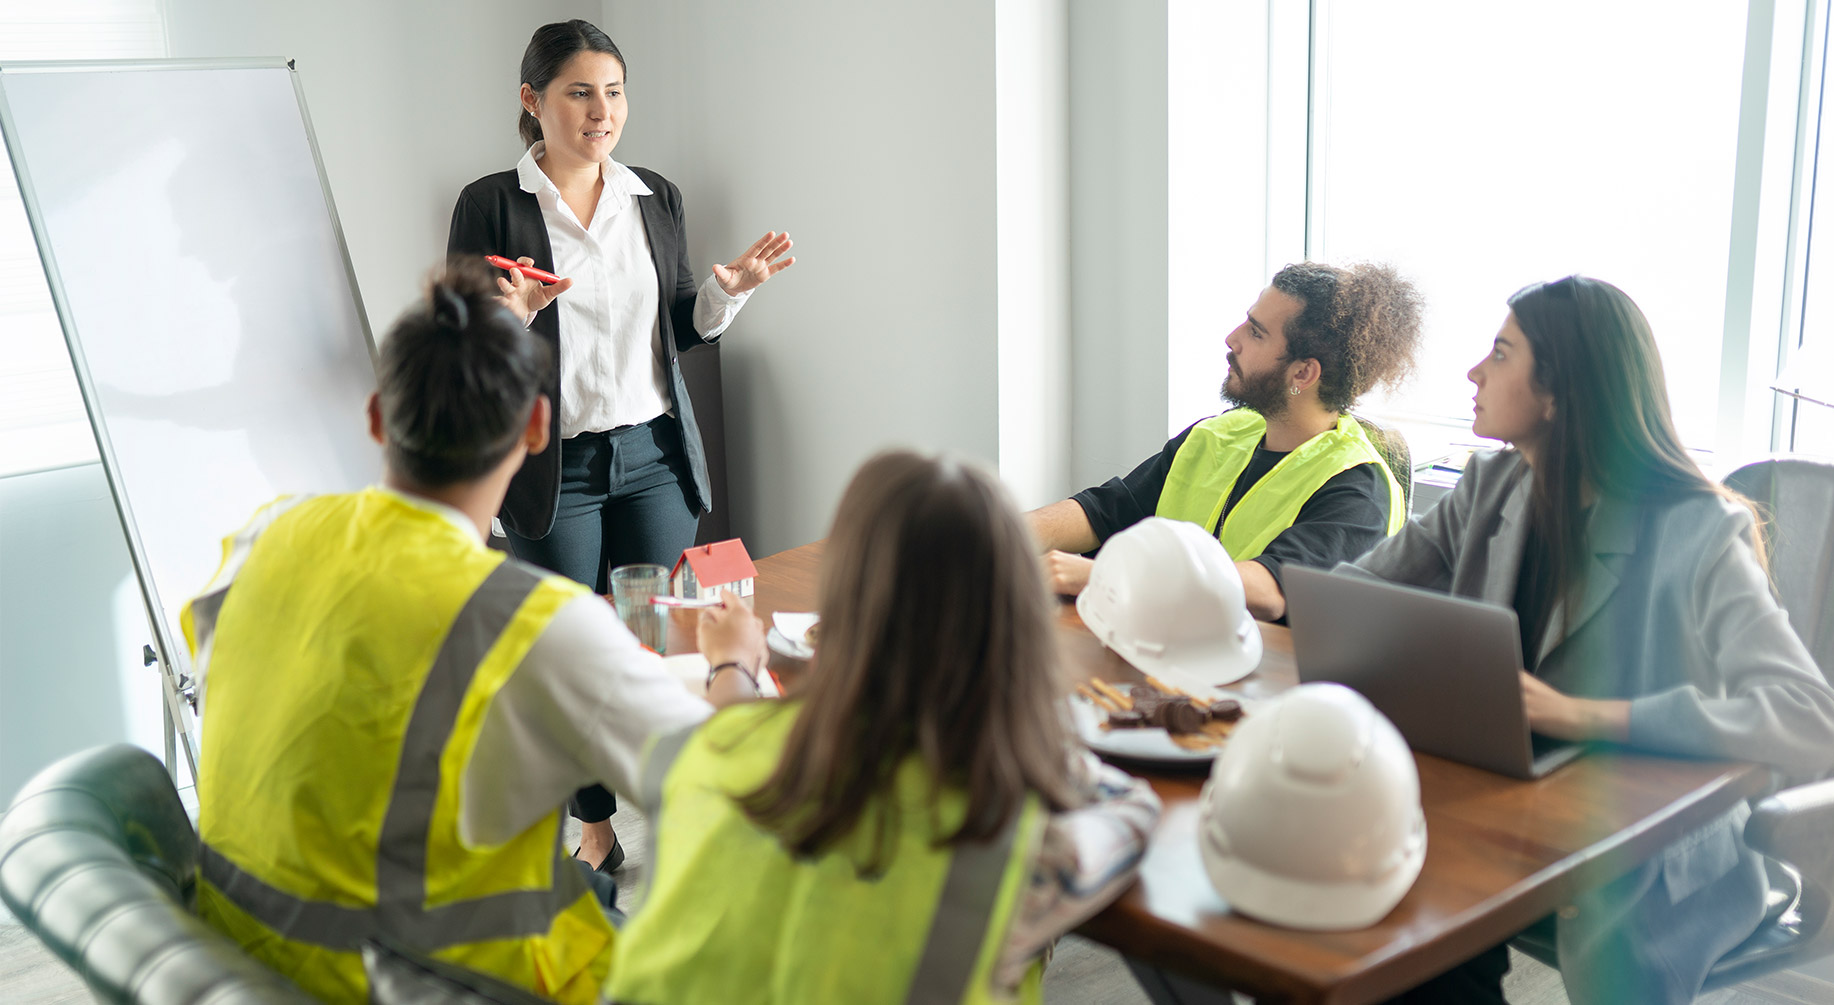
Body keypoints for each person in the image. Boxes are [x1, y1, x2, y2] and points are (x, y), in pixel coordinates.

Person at [182, 261, 771, 1004]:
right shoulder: (534, 623)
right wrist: (734, 664)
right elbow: (733, 784)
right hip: (439, 982)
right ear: (535, 427)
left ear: (375, 416)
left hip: (243, 963)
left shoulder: (266, 535)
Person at [1338, 275, 1834, 1004]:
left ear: (1558, 393)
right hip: (1509, 813)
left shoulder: (1699, 530)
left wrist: (1584, 716)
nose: (1474, 373)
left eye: (1501, 354)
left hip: (1648, 853)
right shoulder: (1490, 486)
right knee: (1383, 917)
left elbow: (1811, 717)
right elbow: (1356, 593)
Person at [600, 451, 1163, 1004]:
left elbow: (737, 725)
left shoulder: (708, 750)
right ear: (1016, 628)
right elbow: (1135, 814)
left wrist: (733, 667)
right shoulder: (1015, 835)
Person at [447, 18, 795, 871]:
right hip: (551, 470)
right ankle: (594, 823)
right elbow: (461, 342)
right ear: (532, 102)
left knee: (667, 645)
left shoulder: (655, 197)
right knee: (570, 658)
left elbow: (680, 327)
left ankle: (689, 816)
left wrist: (729, 294)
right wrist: (511, 318)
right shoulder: (491, 204)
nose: (602, 111)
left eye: (613, 91)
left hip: (652, 457)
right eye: (579, 92)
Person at [1028, 262, 1424, 621]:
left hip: (1263, 681)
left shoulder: (1357, 487)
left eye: (1256, 333)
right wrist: (1002, 533)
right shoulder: (1220, 434)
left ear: (1302, 373)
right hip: (1166, 648)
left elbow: (1270, 589)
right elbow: (1107, 511)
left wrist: (1109, 575)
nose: (1232, 339)